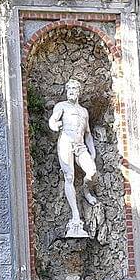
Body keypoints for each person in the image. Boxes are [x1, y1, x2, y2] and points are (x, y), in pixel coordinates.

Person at [48, 79, 99, 237]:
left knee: (92, 172)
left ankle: (86, 190)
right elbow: (53, 120)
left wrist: (92, 151)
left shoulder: (84, 111)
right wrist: (54, 126)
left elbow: (88, 134)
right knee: (69, 177)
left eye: (74, 88)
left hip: (80, 145)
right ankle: (75, 215)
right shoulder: (61, 106)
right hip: (66, 142)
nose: (71, 90)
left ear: (79, 91)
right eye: (68, 88)